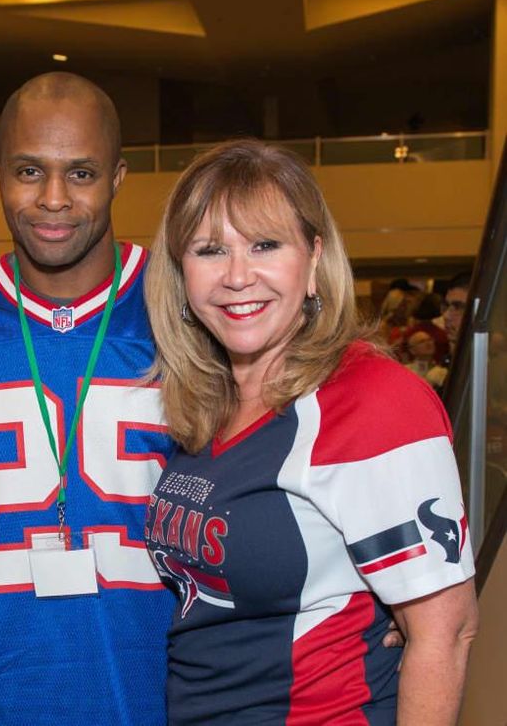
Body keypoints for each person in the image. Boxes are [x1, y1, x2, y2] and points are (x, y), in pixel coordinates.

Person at [145, 139, 478, 724]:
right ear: (181, 274)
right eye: (209, 250)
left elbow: (444, 634)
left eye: (265, 244)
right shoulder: (205, 401)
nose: (237, 276)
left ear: (314, 257)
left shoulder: (372, 400)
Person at [0, 73, 175, 724]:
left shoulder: (188, 314)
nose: (53, 198)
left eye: (80, 174)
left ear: (116, 178)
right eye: (30, 171)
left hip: (165, 698)